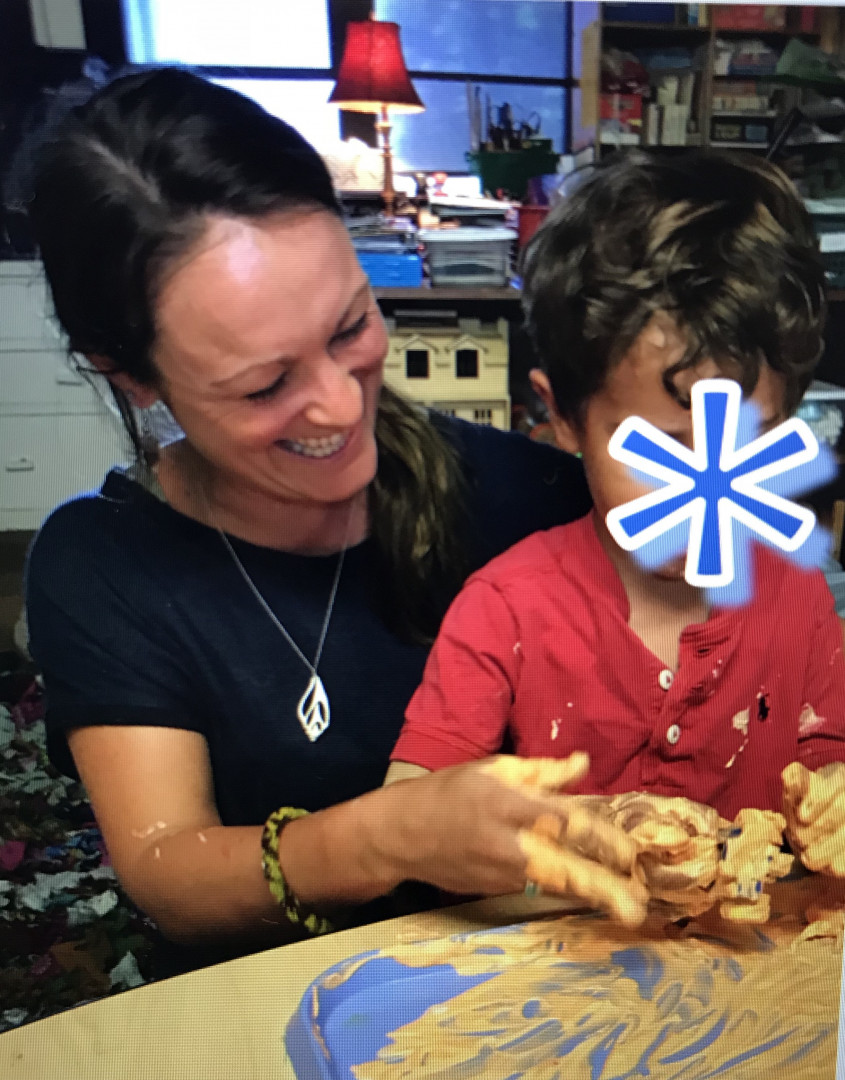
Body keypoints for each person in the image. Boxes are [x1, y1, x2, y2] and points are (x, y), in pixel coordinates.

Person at [22, 68, 647, 978]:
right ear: (131, 375)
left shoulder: (534, 498)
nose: (339, 408)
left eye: (351, 327)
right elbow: (169, 873)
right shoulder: (103, 566)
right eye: (265, 385)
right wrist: (384, 837)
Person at [387, 151, 845, 879]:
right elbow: (407, 823)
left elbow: (828, 769)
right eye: (658, 453)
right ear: (563, 417)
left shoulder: (801, 602)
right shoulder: (505, 610)